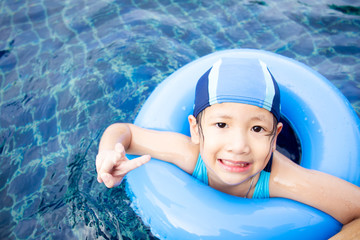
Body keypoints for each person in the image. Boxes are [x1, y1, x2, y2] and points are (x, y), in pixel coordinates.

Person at [96, 58, 360, 238]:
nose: (238, 146)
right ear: (196, 130)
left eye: (257, 129)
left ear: (276, 136)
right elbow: (124, 132)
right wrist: (109, 151)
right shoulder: (188, 153)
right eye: (222, 125)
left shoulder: (284, 179)